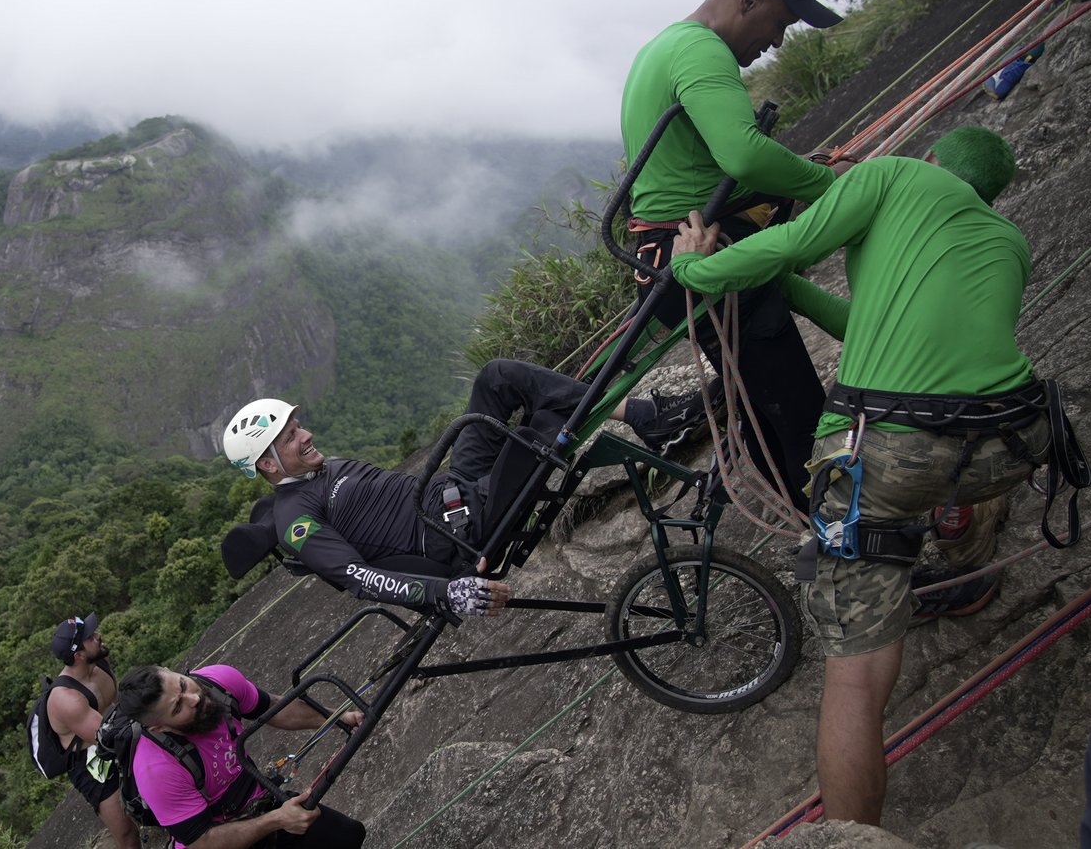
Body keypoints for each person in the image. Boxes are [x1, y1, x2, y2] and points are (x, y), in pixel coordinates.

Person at [669, 126, 1050, 824]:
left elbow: (793, 241)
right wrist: (778, 283)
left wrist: (696, 268)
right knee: (949, 469)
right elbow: (868, 322)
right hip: (1014, 439)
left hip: (889, 450)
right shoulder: (1006, 241)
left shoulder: (894, 175)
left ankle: (853, 839)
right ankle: (962, 537)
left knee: (856, 669)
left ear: (931, 157)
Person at [619, 0, 851, 511]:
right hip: (703, 256)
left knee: (768, 409)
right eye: (781, 22)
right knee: (796, 413)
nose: (777, 41)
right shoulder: (701, 52)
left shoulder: (665, 46)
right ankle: (845, 556)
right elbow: (743, 156)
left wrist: (809, 168)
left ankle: (807, 533)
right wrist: (838, 187)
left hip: (672, 255)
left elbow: (703, 172)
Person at [223, 359, 700, 617]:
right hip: (467, 528)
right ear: (266, 463)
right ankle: (653, 423)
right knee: (546, 424)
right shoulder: (296, 520)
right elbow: (358, 577)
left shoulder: (323, 469)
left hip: (456, 489)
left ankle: (647, 418)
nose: (305, 434)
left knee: (498, 378)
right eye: (290, 436)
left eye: (297, 424)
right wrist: (446, 593)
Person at [115, 663, 366, 849]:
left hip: (261, 803)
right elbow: (201, 841)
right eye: (178, 707)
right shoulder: (156, 769)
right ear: (158, 727)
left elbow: (271, 708)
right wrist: (276, 820)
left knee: (348, 836)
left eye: (182, 684)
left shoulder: (218, 682)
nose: (195, 698)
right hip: (219, 836)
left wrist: (337, 718)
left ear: (171, 670)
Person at [45, 613, 142, 849]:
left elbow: (117, 704)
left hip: (117, 729)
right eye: (90, 637)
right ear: (78, 655)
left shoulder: (99, 660)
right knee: (127, 833)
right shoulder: (67, 699)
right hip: (91, 761)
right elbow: (109, 739)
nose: (98, 636)